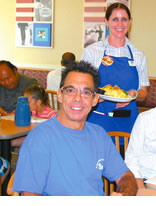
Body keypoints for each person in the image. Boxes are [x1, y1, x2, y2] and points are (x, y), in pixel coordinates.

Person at [13, 61, 137, 196]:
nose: (77, 98)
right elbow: (30, 196)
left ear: (95, 99)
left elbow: (126, 177)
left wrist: (123, 196)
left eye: (86, 92)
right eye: (70, 91)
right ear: (60, 94)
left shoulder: (99, 135)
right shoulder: (40, 138)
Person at [81, 3, 149, 134]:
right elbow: (82, 87)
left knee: (125, 154)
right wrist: (94, 96)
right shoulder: (92, 52)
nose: (120, 24)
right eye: (115, 19)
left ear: (130, 22)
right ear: (106, 21)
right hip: (98, 118)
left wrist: (134, 95)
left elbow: (144, 93)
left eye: (124, 19)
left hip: (128, 120)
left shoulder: (138, 55)